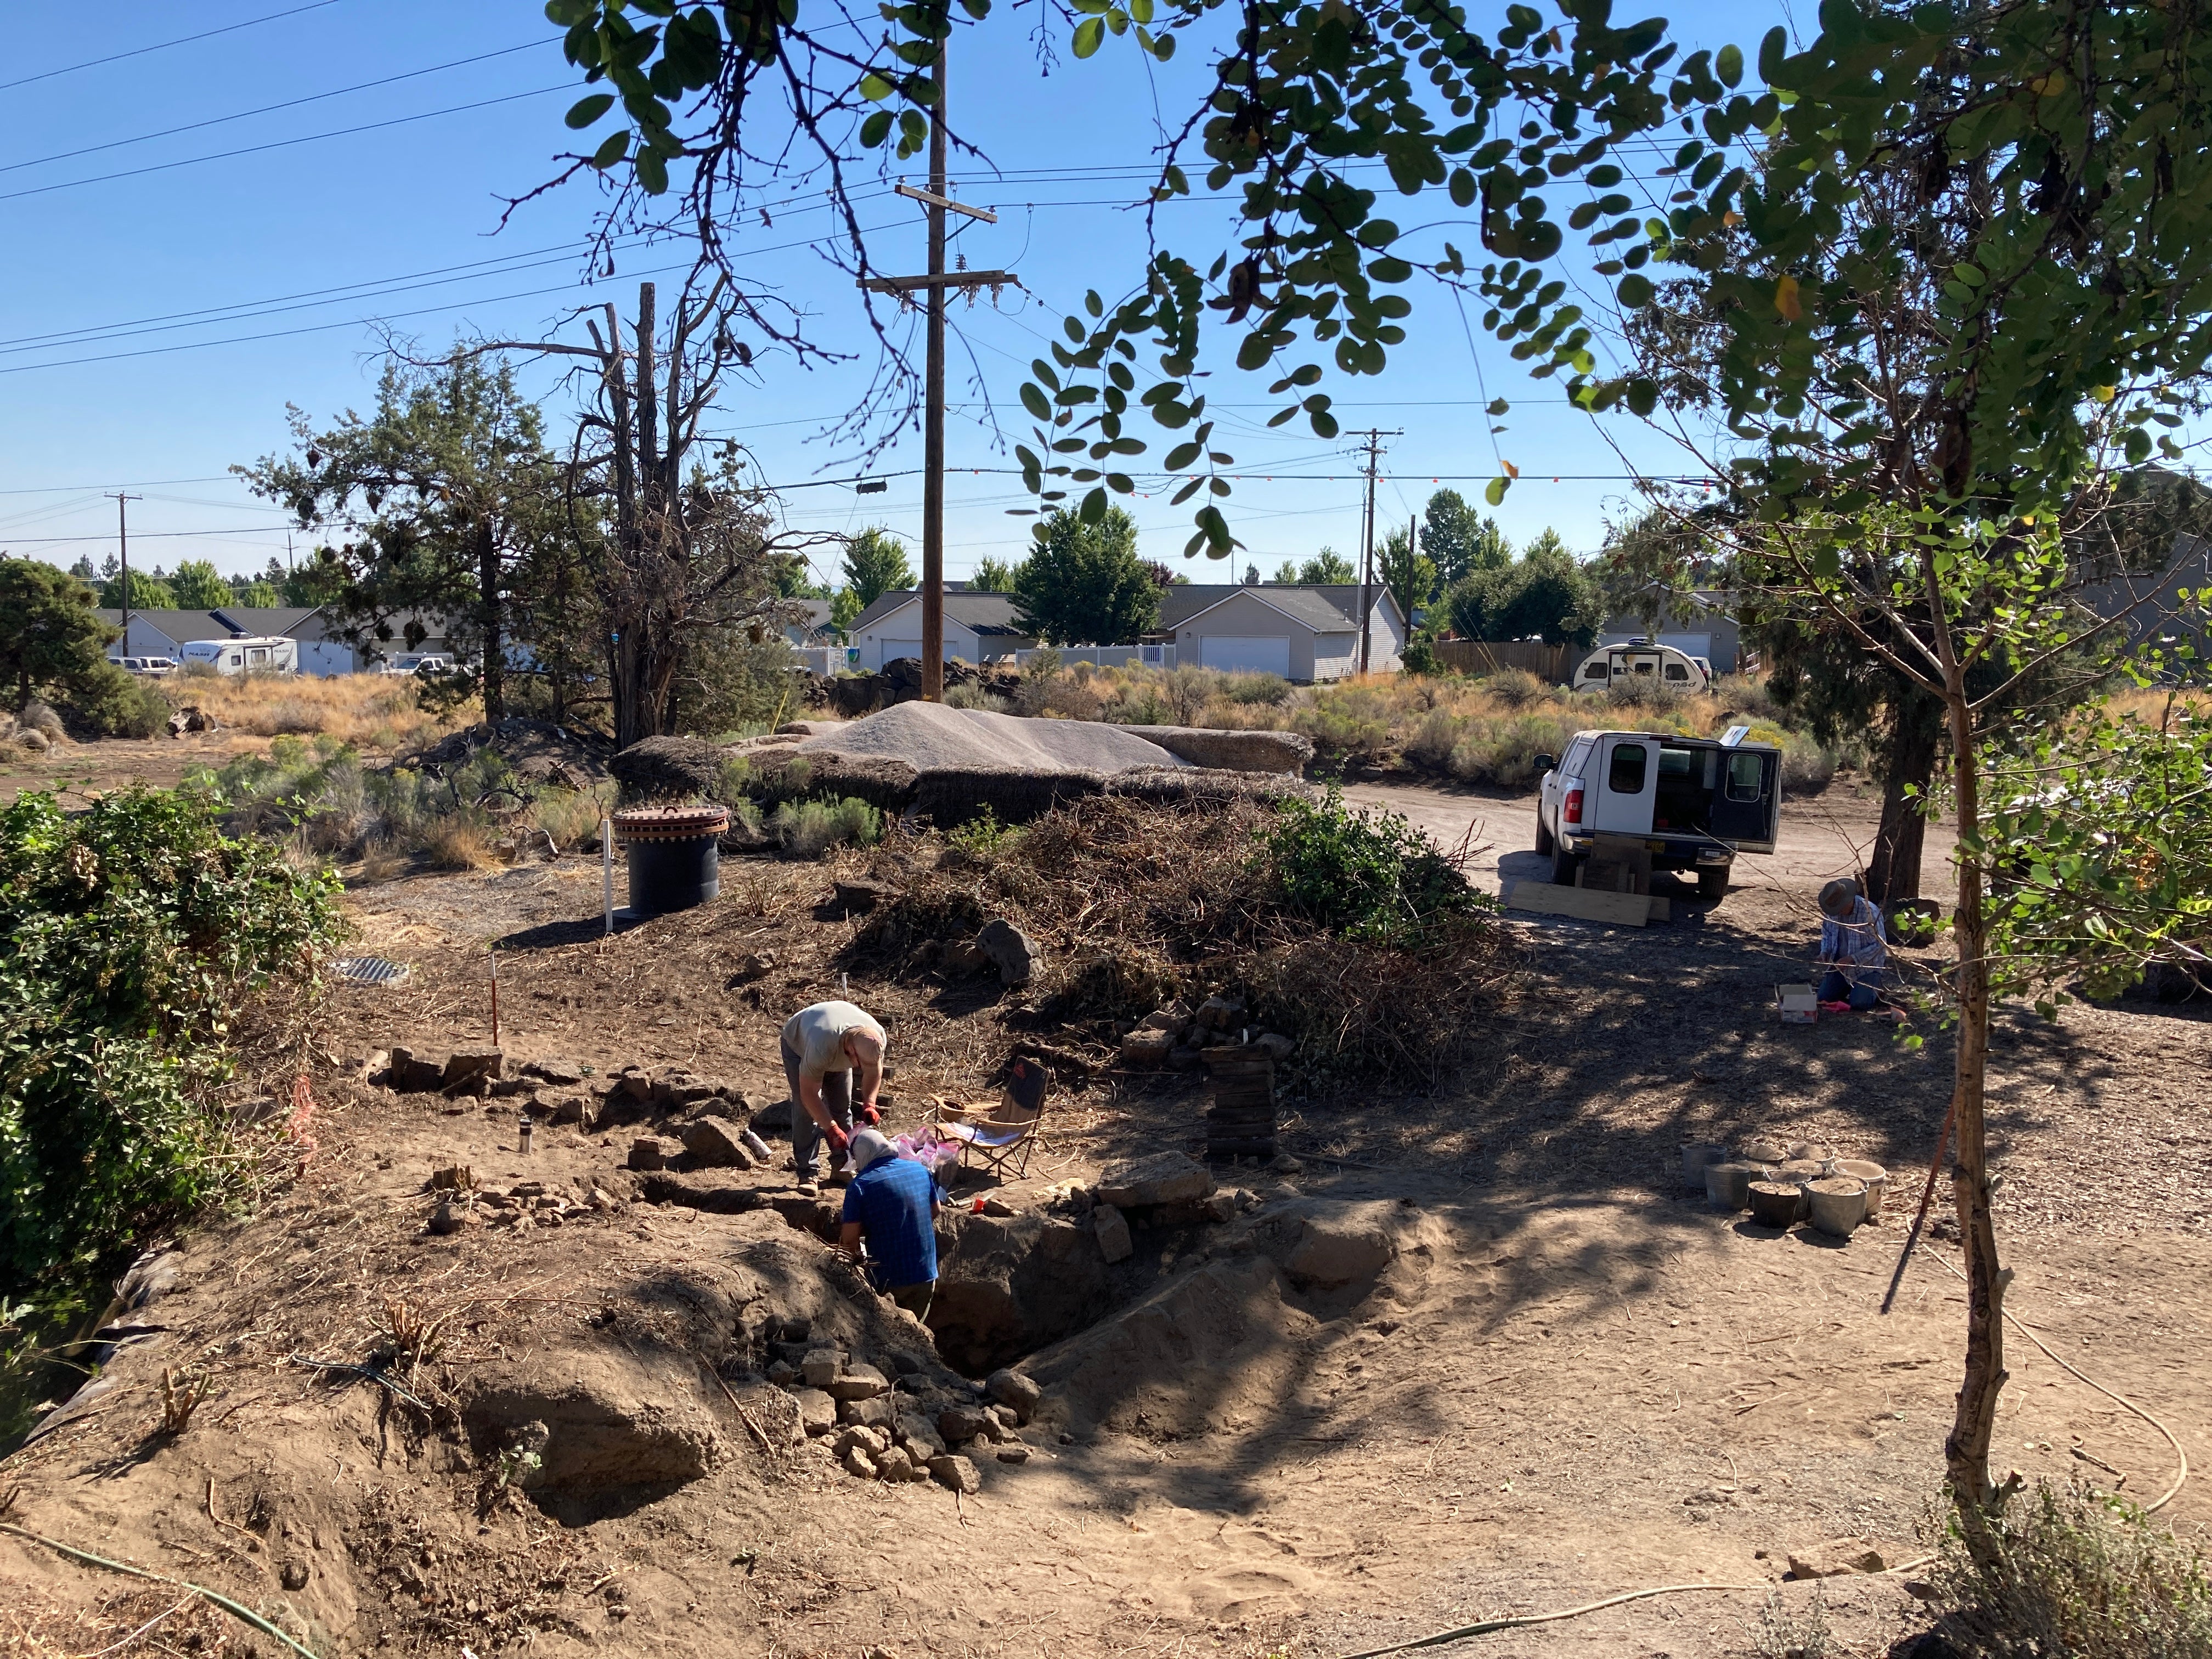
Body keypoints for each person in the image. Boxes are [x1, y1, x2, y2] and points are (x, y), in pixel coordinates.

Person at [781, 999, 886, 1194]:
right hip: (799, 1044)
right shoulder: (822, 1045)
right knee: (807, 1111)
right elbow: (809, 1094)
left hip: (834, 1046)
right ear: (850, 1052)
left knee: (842, 1107)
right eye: (861, 1064)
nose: (862, 1069)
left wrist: (869, 1104)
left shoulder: (876, 1037)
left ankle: (842, 1167)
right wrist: (830, 1128)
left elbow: (874, 1073)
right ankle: (808, 1172)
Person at [838, 1128, 944, 1320]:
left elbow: (849, 1241)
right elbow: (936, 1211)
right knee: (917, 1333)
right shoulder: (920, 1170)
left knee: (890, 1336)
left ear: (862, 1157)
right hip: (926, 1273)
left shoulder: (860, 1186)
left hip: (889, 1280)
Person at [1816, 878, 1889, 1011]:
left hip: (1866, 967)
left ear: (1849, 901)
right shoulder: (1832, 911)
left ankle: (1874, 988)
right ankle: (1851, 988)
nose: (1837, 911)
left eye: (1840, 907)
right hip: (1840, 967)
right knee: (1824, 998)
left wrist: (1852, 959)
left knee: (1861, 1004)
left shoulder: (1869, 912)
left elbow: (1879, 945)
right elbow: (1827, 934)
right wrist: (1824, 952)